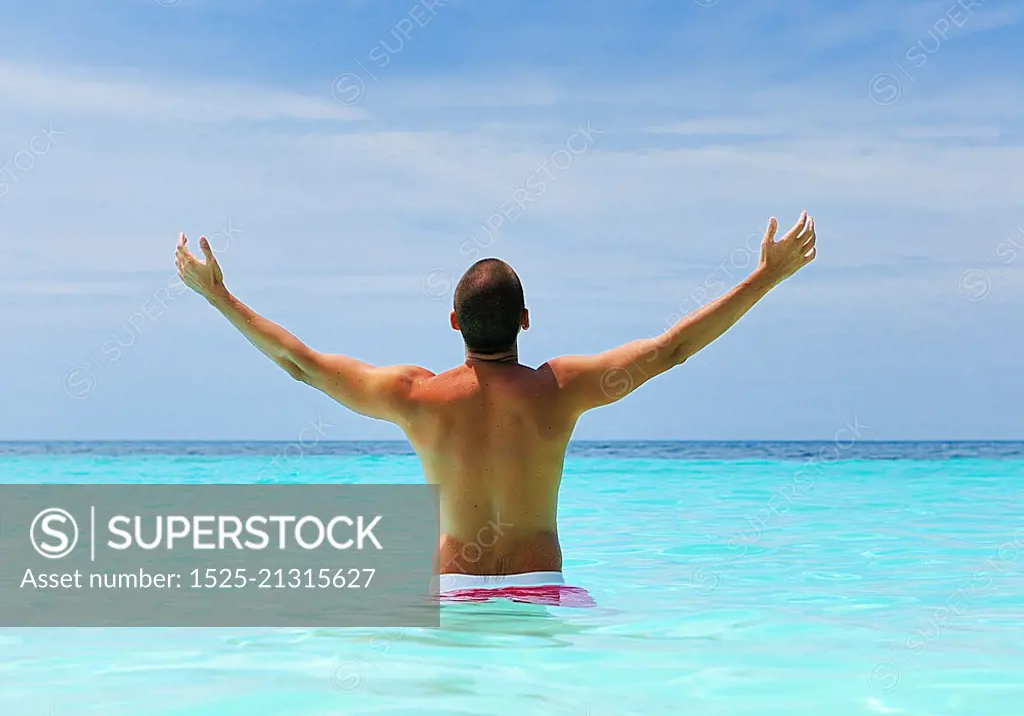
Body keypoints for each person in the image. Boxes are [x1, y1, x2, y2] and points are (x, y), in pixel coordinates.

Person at [175, 212, 815, 599]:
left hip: (454, 590)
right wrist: (766, 276)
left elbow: (301, 364)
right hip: (541, 588)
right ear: (526, 321)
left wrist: (219, 298)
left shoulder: (417, 398)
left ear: (453, 321)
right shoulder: (560, 390)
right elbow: (672, 349)